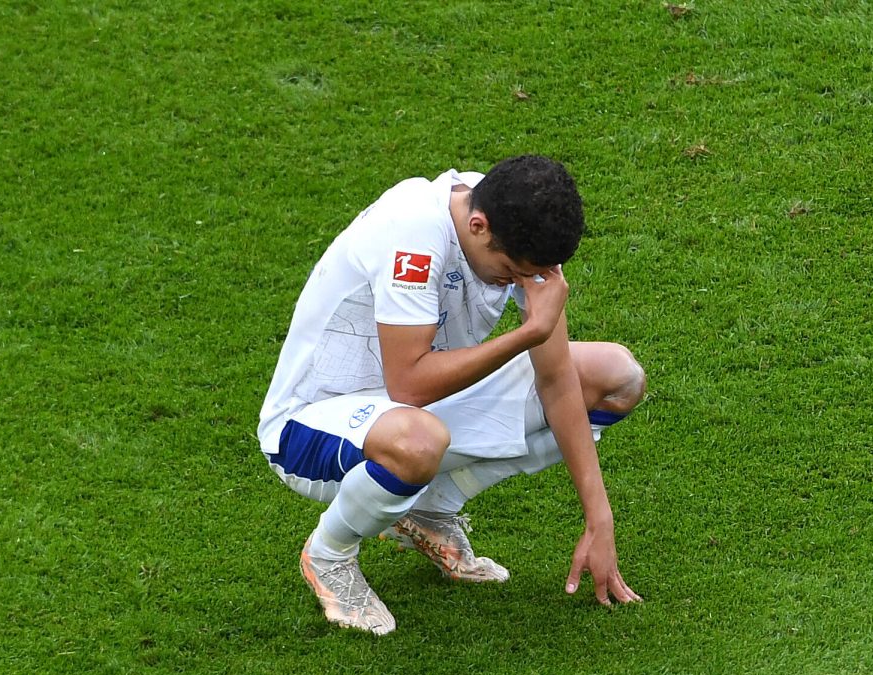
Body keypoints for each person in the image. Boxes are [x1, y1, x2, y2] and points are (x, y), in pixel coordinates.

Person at [257, 155, 646, 635]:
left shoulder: (514, 215)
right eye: (509, 274)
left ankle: (427, 512)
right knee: (418, 439)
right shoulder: (414, 229)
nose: (516, 284)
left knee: (615, 376)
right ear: (478, 226)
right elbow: (410, 384)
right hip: (309, 426)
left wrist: (598, 517)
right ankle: (329, 555)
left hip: (418, 410)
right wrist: (528, 333)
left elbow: (557, 379)